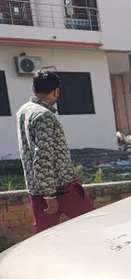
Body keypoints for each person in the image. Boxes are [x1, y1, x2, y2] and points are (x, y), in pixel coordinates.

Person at [16, 70, 93, 233]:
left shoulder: (23, 111)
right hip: (60, 188)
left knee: (44, 237)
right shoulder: (44, 115)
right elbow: (43, 157)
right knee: (91, 225)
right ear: (55, 91)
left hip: (37, 189)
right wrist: (50, 196)